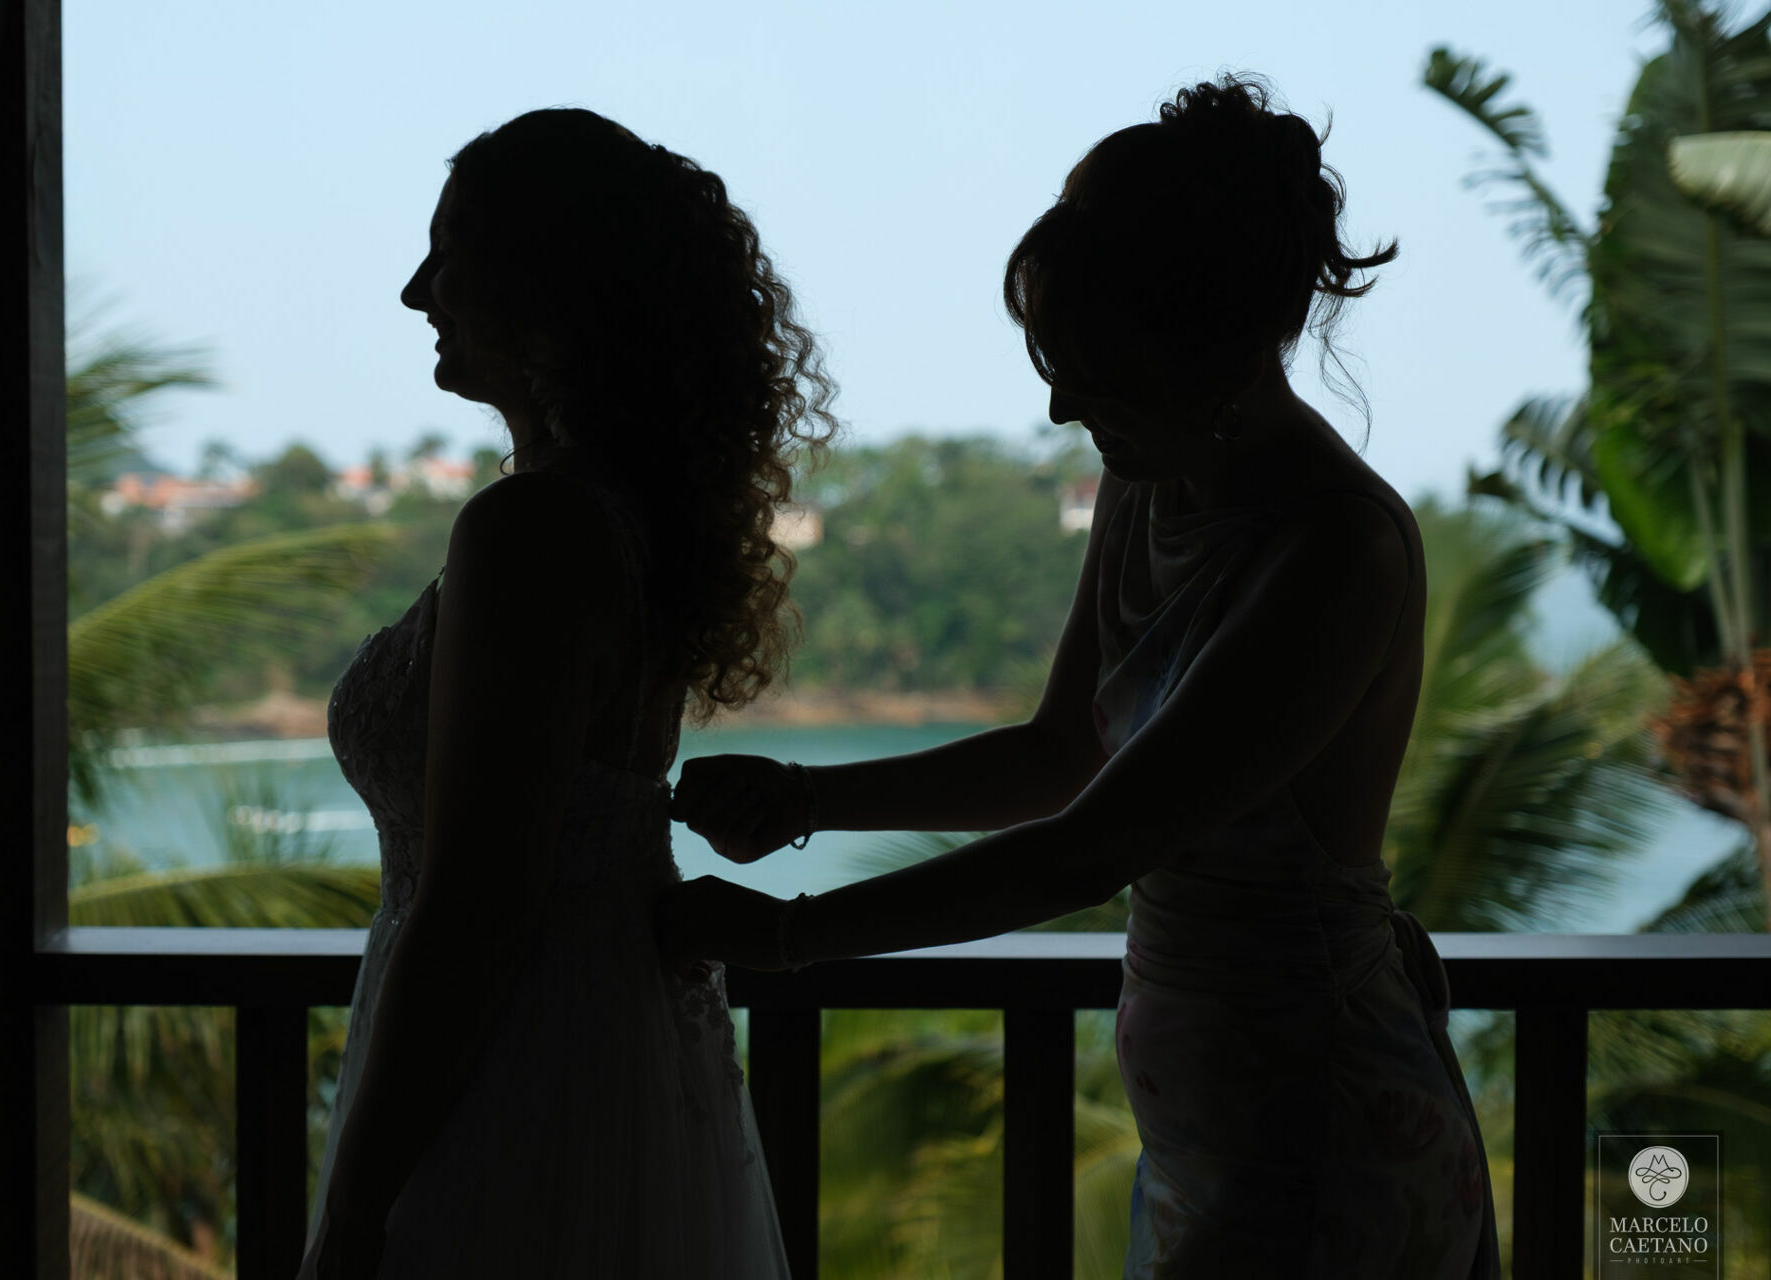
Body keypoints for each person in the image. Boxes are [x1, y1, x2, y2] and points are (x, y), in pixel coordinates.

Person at [660, 76, 1502, 1278]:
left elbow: (1091, 842)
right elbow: (1062, 754)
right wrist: (806, 797)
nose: (1060, 404)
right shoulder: (1147, 483)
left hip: (1320, 1117)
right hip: (1209, 1117)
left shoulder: (1337, 548)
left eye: (1090, 367)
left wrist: (794, 939)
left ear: (1203, 343)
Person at [297, 107, 835, 1279]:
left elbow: (474, 910)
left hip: (510, 1069)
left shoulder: (535, 527)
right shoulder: (617, 514)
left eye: (448, 254)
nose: (413, 291)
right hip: (597, 1037)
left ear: (542, 286)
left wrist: (354, 1210)